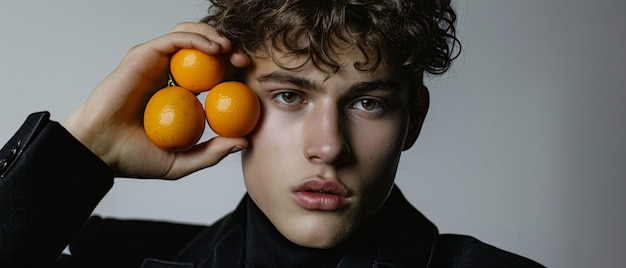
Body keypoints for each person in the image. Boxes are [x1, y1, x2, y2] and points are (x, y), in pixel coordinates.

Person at [0, 0, 545, 267]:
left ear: (413, 119)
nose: (329, 146)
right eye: (289, 95)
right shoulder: (113, 256)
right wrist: (81, 150)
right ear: (222, 100)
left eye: (369, 102)